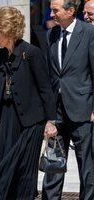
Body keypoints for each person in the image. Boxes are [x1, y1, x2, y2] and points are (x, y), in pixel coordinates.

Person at [0, 6, 57, 200]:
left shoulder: (31, 53)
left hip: (31, 123)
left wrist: (50, 120)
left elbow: (45, 89)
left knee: (25, 171)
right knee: (6, 162)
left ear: (7, 30)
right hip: (7, 119)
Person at [42, 0, 94, 199]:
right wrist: (48, 116)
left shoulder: (89, 33)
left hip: (82, 110)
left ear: (71, 11)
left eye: (55, 10)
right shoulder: (51, 35)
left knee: (87, 168)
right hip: (56, 111)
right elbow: (50, 76)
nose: (51, 14)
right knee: (53, 165)